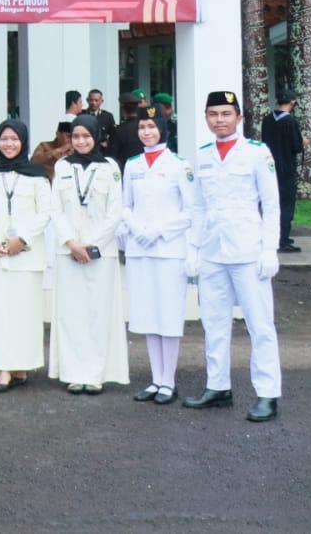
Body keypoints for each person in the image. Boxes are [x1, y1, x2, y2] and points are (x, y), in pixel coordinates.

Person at [184, 91, 282, 423]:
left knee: (260, 325)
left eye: (226, 114)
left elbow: (271, 204)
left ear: (239, 118)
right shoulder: (204, 155)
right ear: (206, 118)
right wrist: (194, 248)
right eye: (213, 114)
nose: (219, 120)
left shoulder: (256, 152)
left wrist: (269, 248)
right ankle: (218, 386)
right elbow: (198, 207)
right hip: (213, 251)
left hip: (248, 250)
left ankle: (267, 393)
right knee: (213, 323)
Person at [119, 105, 194, 404]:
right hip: (139, 249)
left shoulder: (179, 165)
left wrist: (159, 231)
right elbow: (125, 205)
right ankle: (155, 379)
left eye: (152, 126)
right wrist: (136, 227)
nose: (146, 132)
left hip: (168, 250)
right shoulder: (133, 164)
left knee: (168, 316)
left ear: (163, 129)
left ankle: (169, 381)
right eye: (142, 127)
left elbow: (190, 211)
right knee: (147, 314)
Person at [48, 115, 127, 395]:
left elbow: (114, 213)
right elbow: (55, 209)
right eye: (76, 136)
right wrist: (72, 244)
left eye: (87, 136)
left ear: (96, 137)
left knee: (98, 313)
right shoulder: (62, 166)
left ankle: (95, 374)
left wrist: (90, 246)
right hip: (68, 252)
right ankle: (73, 372)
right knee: (71, 314)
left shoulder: (110, 168)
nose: (81, 141)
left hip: (100, 254)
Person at [0, 120, 52, 394]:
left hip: (26, 255)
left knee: (25, 313)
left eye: (14, 139)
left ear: (23, 142)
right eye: (4, 139)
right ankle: (3, 370)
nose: (9, 144)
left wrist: (22, 239)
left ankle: (22, 366)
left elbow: (45, 212)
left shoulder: (37, 173)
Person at [259, 89, 304, 253]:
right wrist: (303, 141)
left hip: (269, 167)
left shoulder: (267, 120)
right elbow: (296, 146)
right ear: (293, 102)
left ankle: (270, 236)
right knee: (286, 205)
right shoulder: (291, 121)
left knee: (270, 203)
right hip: (286, 168)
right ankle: (282, 239)